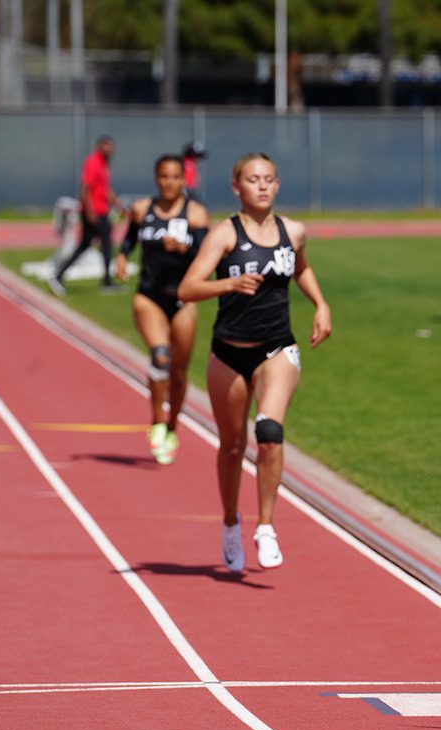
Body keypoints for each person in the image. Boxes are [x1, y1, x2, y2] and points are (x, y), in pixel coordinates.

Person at [177, 152, 332, 574]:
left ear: (277, 185)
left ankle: (266, 526)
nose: (262, 186)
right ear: (236, 187)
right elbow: (188, 288)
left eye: (269, 179)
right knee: (231, 445)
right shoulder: (223, 235)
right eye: (252, 179)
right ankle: (231, 523)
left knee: (268, 432)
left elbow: (301, 268)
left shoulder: (293, 231)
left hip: (276, 348)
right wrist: (229, 283)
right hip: (228, 352)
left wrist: (320, 304)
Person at [114, 154, 210, 463]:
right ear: (157, 178)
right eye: (164, 177)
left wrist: (185, 248)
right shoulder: (142, 209)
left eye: (175, 177)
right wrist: (120, 257)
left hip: (182, 299)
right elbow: (129, 240)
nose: (170, 183)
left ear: (184, 180)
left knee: (179, 373)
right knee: (161, 356)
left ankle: (172, 425)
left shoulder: (195, 215)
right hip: (150, 296)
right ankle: (156, 419)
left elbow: (208, 254)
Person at [47, 135, 122, 296]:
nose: (109, 149)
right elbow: (85, 188)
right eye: (106, 145)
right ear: (99, 146)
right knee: (105, 245)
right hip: (94, 212)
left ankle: (59, 276)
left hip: (102, 210)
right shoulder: (93, 162)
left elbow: (105, 190)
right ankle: (106, 282)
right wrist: (90, 212)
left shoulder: (104, 164)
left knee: (87, 246)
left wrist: (118, 205)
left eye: (111, 146)